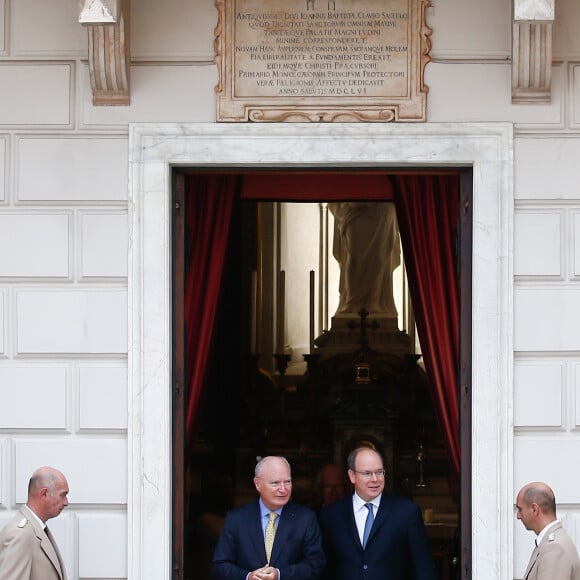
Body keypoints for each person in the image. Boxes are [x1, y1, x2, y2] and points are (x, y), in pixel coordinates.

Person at [319, 447, 437, 580]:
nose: (375, 479)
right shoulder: (331, 516)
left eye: (379, 472)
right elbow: (323, 568)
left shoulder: (406, 512)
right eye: (367, 473)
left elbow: (424, 569)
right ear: (352, 476)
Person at [212, 456, 325, 580]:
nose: (283, 489)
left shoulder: (306, 518)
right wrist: (247, 577)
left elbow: (316, 564)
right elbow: (220, 565)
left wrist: (280, 575)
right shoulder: (237, 519)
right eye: (275, 483)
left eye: (287, 482)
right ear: (258, 484)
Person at [328, 202, 400, 317]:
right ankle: (352, 301)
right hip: (352, 205)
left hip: (381, 208)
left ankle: (373, 302)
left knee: (379, 257)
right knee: (354, 258)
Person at [0, 466, 69, 580]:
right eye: (62, 495)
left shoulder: (36, 529)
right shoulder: (20, 535)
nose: (66, 502)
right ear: (44, 493)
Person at [515, 481, 580, 579]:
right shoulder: (549, 542)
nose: (518, 516)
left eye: (520, 509)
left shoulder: (554, 548)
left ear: (534, 509)